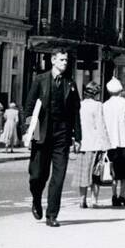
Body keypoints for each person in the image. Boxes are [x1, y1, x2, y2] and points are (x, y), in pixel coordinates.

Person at [23, 50, 82, 226]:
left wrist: (77, 137)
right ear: (53, 60)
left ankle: (52, 215)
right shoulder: (40, 80)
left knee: (59, 175)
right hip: (41, 133)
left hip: (62, 135)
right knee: (37, 175)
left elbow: (75, 112)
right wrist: (28, 132)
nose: (65, 62)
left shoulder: (70, 83)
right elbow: (29, 107)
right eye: (62, 59)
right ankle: (36, 198)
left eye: (66, 59)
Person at [102, 77, 125, 207]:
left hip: (110, 142)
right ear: (121, 90)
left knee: (113, 171)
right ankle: (123, 196)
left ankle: (114, 195)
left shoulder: (104, 105)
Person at [77, 81, 110, 208]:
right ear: (96, 94)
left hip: (82, 144)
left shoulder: (79, 105)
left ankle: (82, 199)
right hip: (95, 143)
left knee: (83, 173)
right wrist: (106, 144)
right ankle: (94, 200)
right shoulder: (98, 105)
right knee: (95, 173)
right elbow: (100, 125)